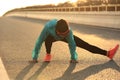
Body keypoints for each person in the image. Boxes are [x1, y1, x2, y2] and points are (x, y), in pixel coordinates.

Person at [30, 19, 119, 63]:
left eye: (67, 33)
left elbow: (72, 44)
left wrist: (73, 58)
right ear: (57, 31)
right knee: (46, 40)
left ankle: (108, 53)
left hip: (62, 34)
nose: (66, 35)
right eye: (64, 34)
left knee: (85, 44)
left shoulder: (68, 32)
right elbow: (39, 42)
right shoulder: (48, 27)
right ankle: (48, 54)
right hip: (51, 36)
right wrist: (35, 57)